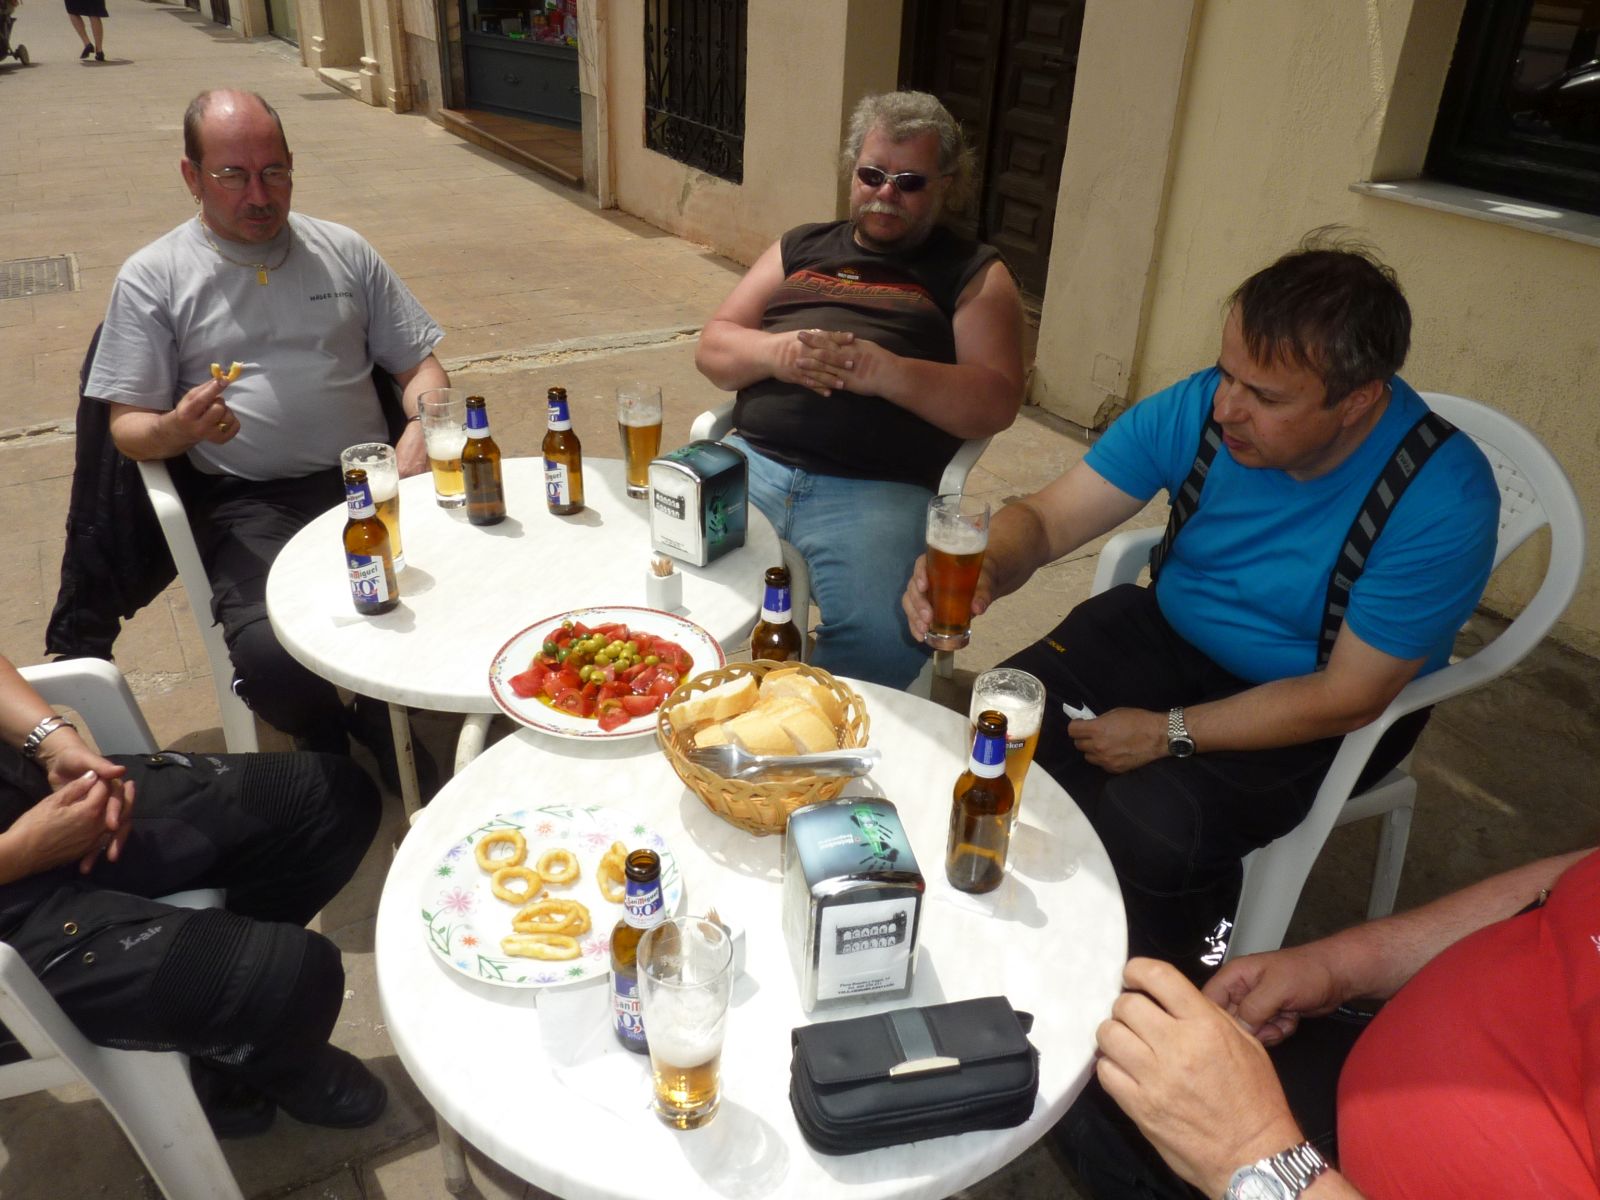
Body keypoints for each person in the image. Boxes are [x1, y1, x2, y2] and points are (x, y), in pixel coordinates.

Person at [901, 234, 1501, 967]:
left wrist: (1169, 733)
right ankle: (1014, 931)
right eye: (1227, 374)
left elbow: (1348, 696)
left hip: (1316, 699)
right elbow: (1051, 518)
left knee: (1154, 827)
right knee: (1000, 726)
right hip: (1170, 632)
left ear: (1358, 401)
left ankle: (1169, 973)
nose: (1226, 408)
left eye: (1265, 396)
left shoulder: (1441, 498)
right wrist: (990, 564)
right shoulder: (1199, 408)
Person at [86, 89, 448, 780]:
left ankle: (383, 708)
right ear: (192, 176)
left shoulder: (343, 250)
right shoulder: (153, 277)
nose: (259, 195)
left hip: (366, 482)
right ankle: (322, 727)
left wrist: (422, 426)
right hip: (250, 503)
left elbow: (420, 366)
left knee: (459, 586)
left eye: (273, 171)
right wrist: (175, 427)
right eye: (233, 175)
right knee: (269, 656)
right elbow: (126, 428)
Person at [695, 90, 1024, 688]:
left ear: (947, 186)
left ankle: (805, 723)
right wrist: (780, 354)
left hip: (876, 492)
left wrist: (886, 373)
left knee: (888, 636)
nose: (885, 193)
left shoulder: (973, 271)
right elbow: (714, 348)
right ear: (853, 172)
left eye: (909, 182)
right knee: (655, 562)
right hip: (749, 465)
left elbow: (995, 400)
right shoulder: (801, 246)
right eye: (872, 175)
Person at [1069, 844, 1597, 1199]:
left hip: (1302, 1175)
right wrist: (1339, 966)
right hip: (1356, 1079)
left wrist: (1251, 1155)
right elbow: (1571, 890)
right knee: (1083, 1067)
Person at [0, 653, 386, 1136]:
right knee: (289, 972)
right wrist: (20, 852)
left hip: (33, 798)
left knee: (329, 801)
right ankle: (252, 1024)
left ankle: (231, 1019)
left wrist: (53, 743)